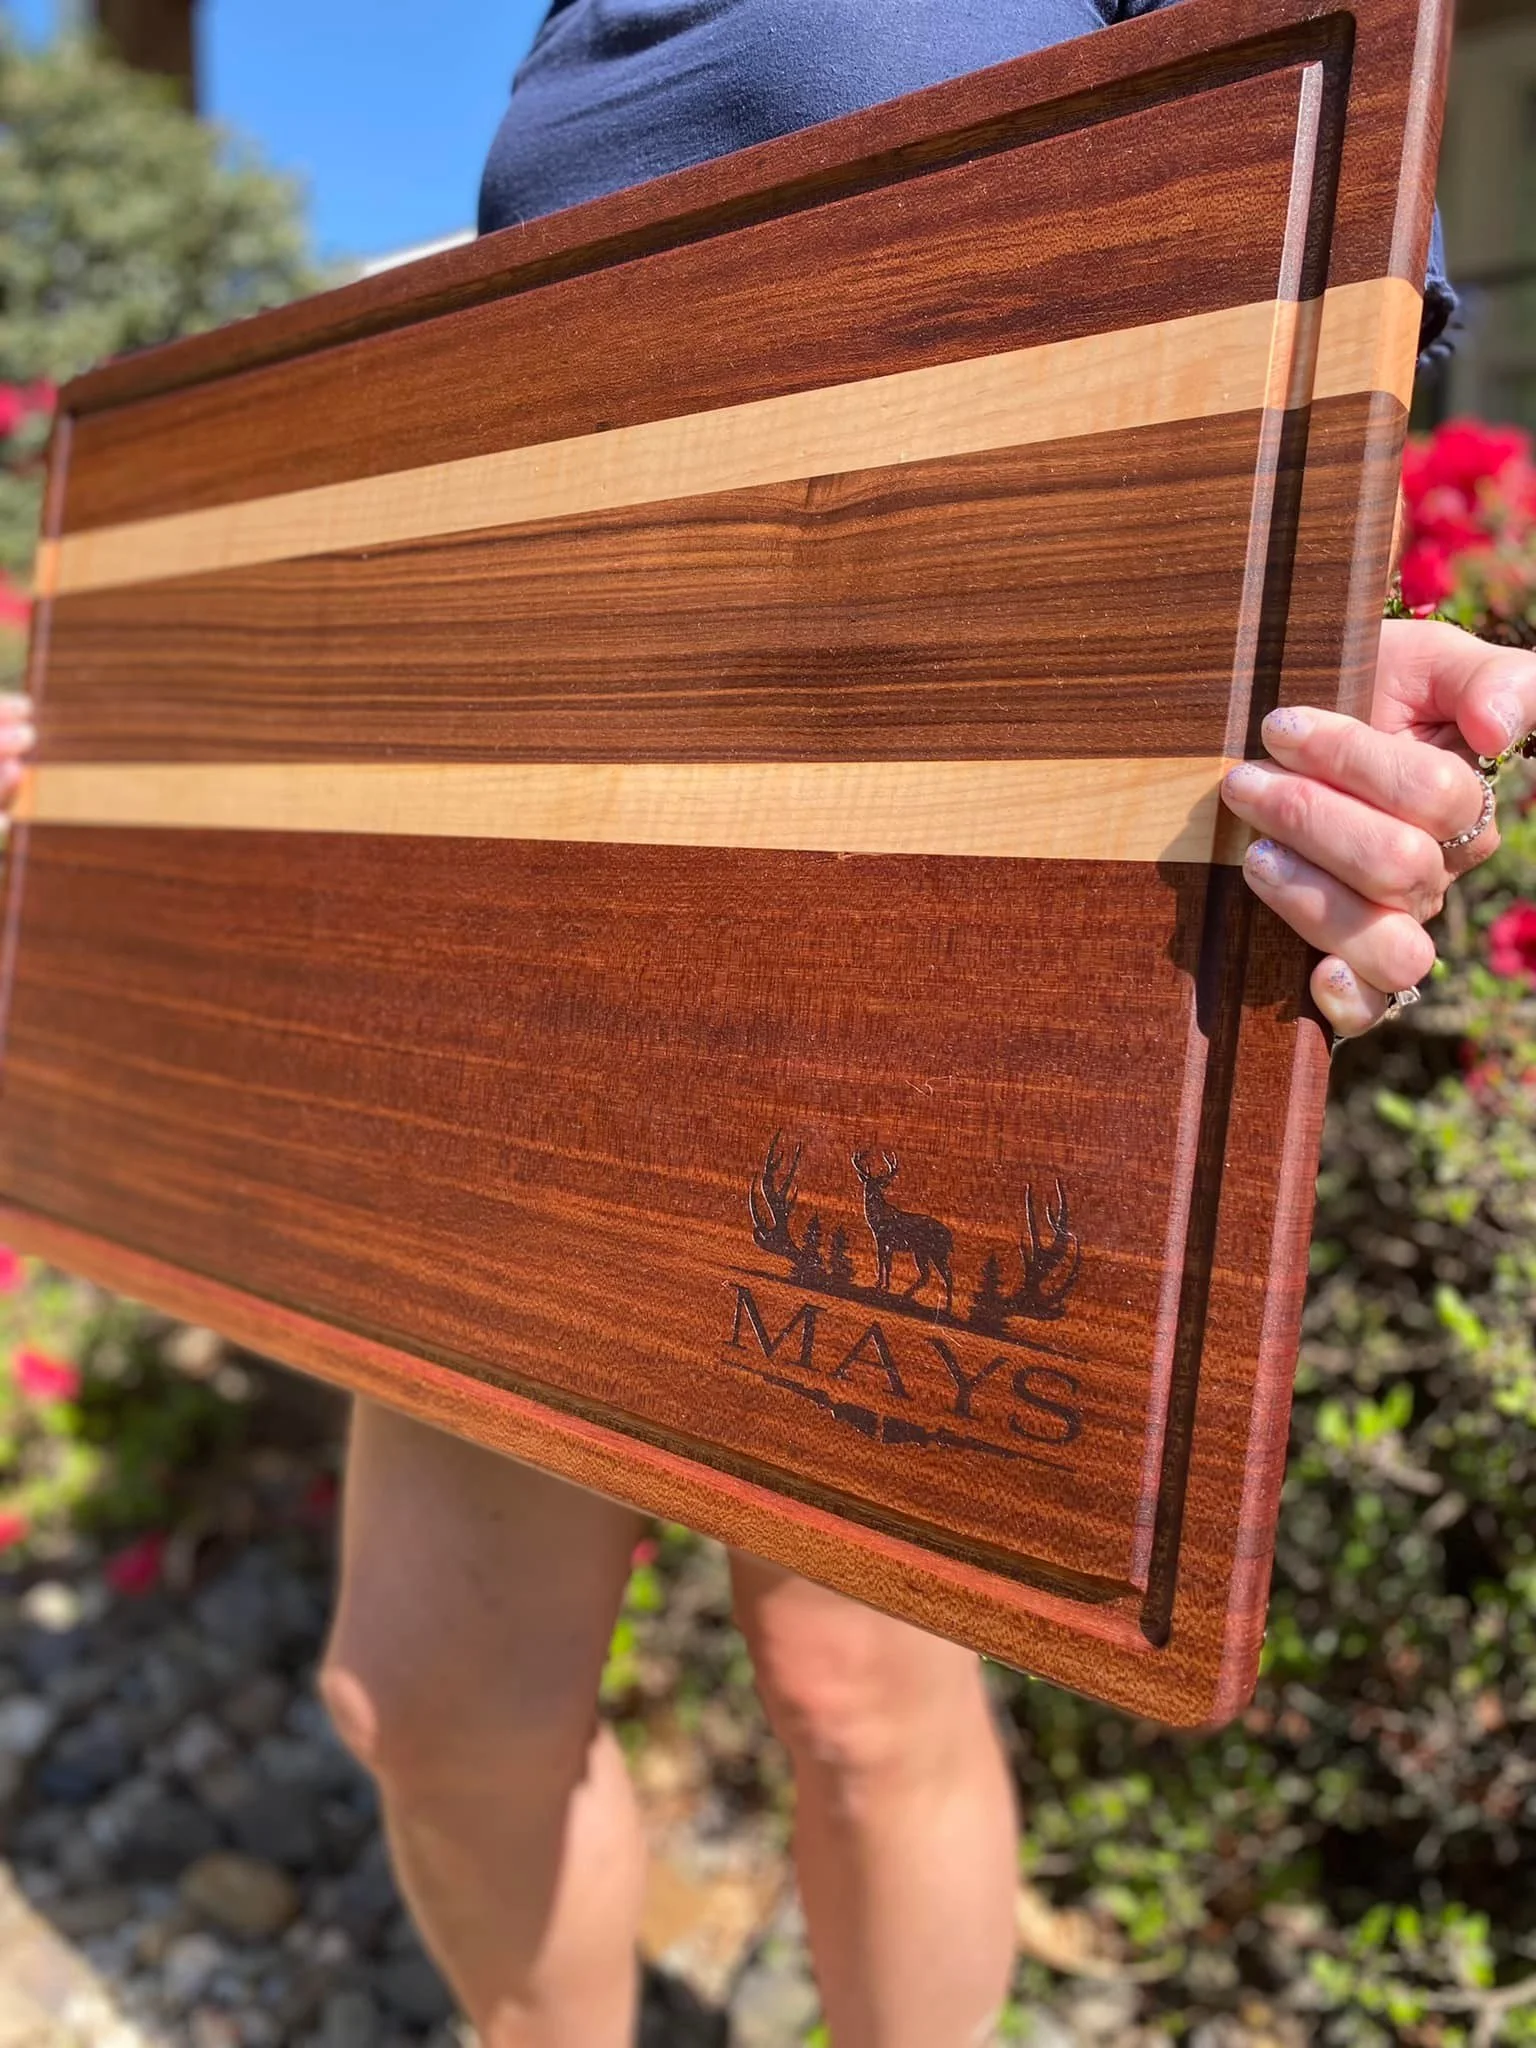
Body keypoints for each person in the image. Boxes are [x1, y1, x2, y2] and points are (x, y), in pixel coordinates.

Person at [11, 8, 1527, 2047]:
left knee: (860, 1688)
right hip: (550, 885)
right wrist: (127, 729)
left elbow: (1291, 176)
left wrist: (1308, 611)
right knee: (429, 1701)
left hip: (967, 842)